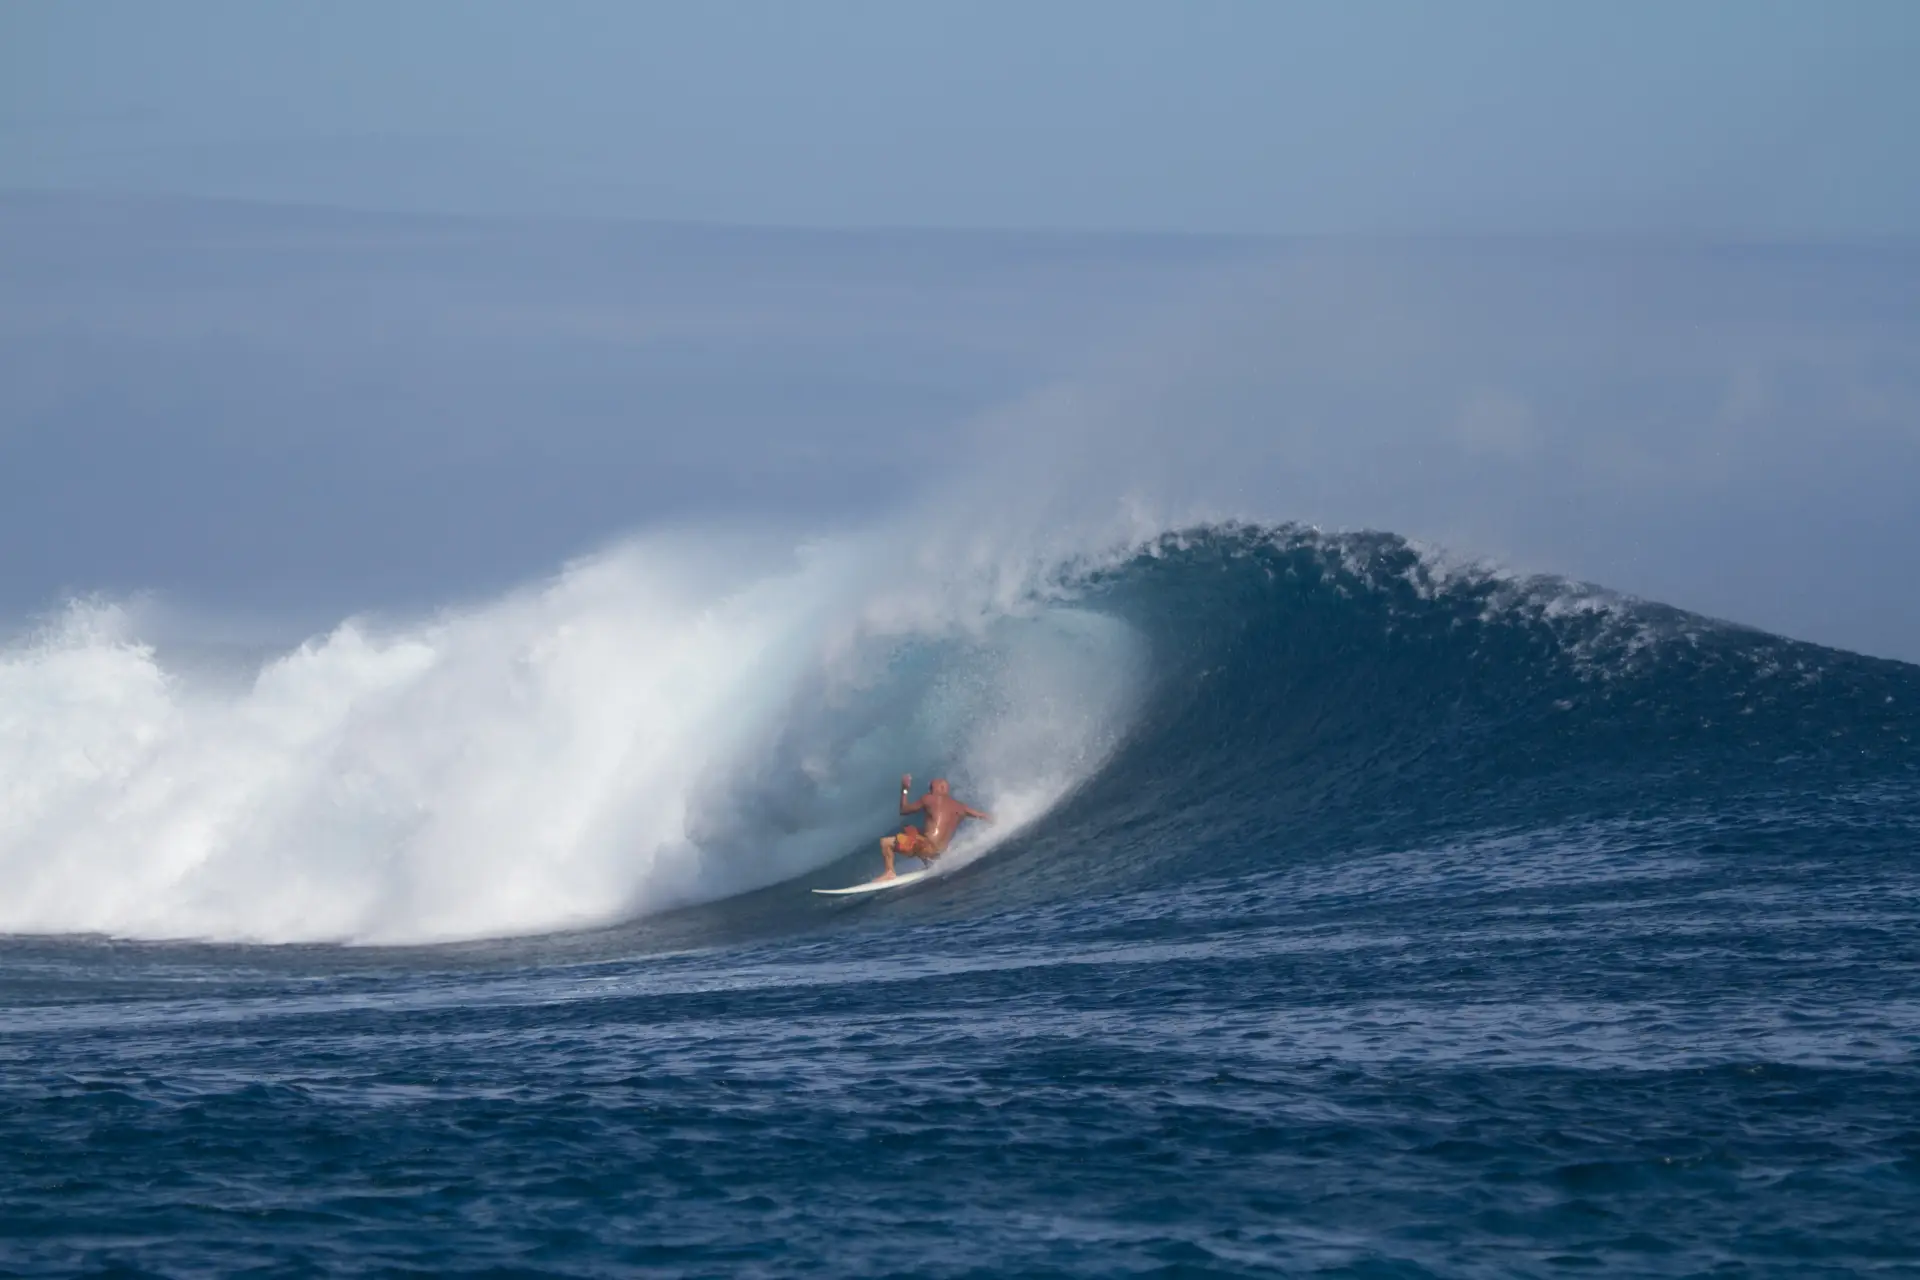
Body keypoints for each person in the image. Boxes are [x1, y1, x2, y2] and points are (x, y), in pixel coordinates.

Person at [876, 774, 994, 881]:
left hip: (926, 847)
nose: (929, 790)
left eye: (931, 788)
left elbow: (904, 810)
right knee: (912, 830)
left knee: (885, 843)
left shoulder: (929, 798)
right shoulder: (961, 807)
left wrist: (904, 790)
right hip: (939, 852)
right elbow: (983, 816)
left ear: (938, 788)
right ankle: (930, 862)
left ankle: (890, 872)